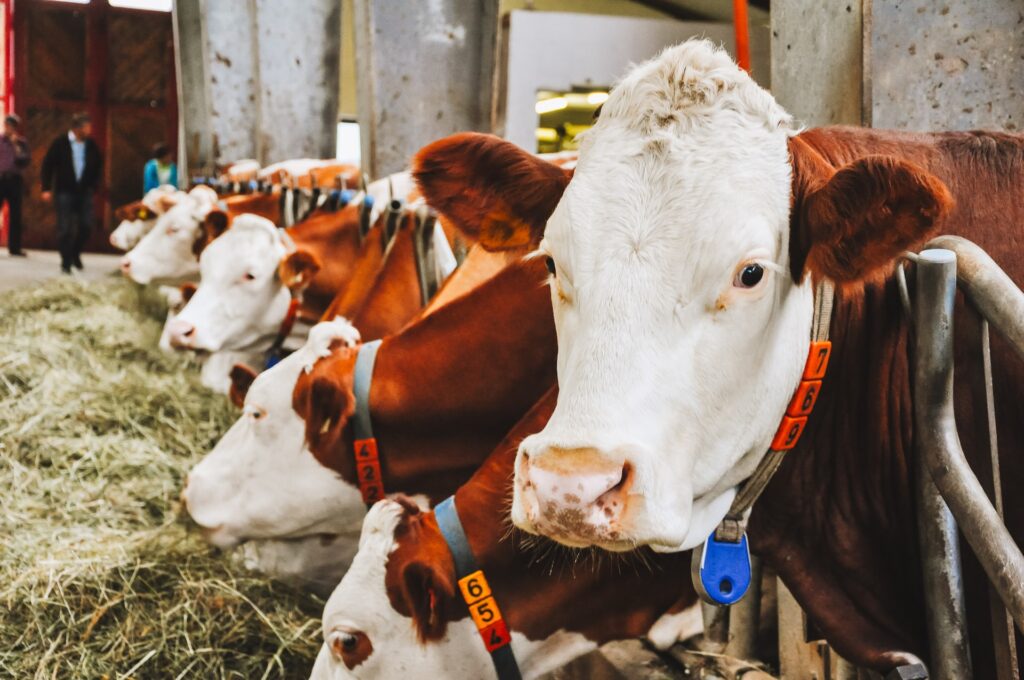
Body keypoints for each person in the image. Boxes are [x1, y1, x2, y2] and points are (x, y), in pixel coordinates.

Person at [41, 111, 102, 274]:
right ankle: (66, 261)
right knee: (64, 228)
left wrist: (94, 186)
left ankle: (75, 252)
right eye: (86, 127)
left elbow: (98, 166)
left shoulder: (91, 145)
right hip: (64, 191)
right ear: (77, 128)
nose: (89, 130)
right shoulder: (60, 143)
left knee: (86, 226)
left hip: (84, 191)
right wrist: (46, 188)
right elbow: (48, 165)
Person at [0, 114, 30, 257]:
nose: (9, 128)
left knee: (16, 215)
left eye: (12, 126)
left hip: (15, 180)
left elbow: (24, 161)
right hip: (0, 179)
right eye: (8, 125)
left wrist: (16, 145)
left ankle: (15, 247)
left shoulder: (22, 143)